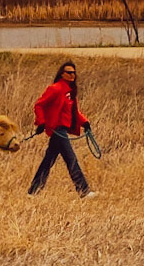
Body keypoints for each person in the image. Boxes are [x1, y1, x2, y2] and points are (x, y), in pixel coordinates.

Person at [27, 60, 97, 198]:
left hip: (62, 130)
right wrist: (41, 122)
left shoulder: (70, 92)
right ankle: (83, 190)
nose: (72, 75)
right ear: (62, 74)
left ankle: (33, 191)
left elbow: (74, 112)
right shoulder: (55, 89)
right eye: (69, 72)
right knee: (71, 159)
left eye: (74, 73)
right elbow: (39, 105)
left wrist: (85, 123)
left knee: (48, 160)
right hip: (57, 129)